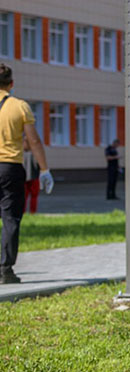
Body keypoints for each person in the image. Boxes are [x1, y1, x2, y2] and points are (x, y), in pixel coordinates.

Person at [0, 63, 51, 284]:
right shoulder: (20, 107)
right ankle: (5, 270)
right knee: (10, 218)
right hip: (10, 168)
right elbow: (34, 140)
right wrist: (44, 169)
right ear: (11, 84)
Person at [23, 137, 40, 213]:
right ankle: (32, 212)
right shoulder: (35, 153)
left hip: (23, 178)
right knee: (34, 196)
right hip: (34, 177)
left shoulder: (21, 153)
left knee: (24, 197)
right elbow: (37, 164)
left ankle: (23, 212)